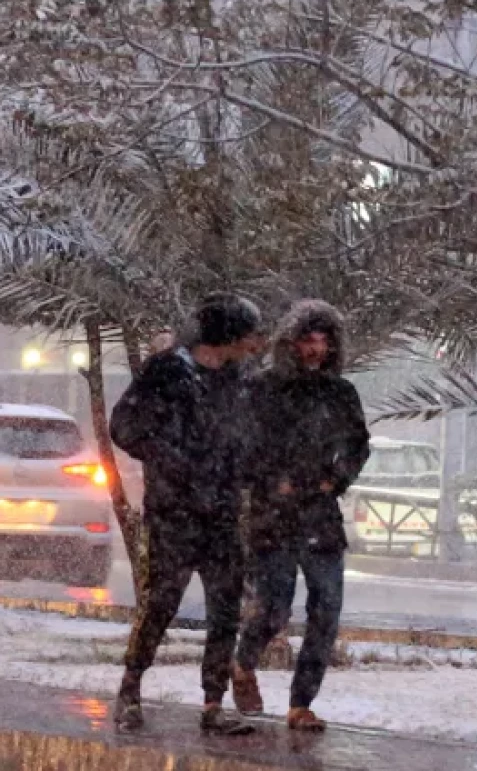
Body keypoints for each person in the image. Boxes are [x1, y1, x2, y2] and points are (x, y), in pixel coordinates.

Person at [109, 293, 265, 735]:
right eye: (249, 334)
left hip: (222, 513)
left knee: (225, 610)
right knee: (161, 603)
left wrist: (246, 472)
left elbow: (249, 438)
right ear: (228, 335)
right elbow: (124, 426)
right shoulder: (166, 371)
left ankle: (213, 704)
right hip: (173, 512)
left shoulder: (240, 380)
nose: (254, 344)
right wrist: (170, 460)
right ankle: (130, 688)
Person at [232, 300, 370, 732]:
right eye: (308, 340)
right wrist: (273, 482)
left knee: (327, 608)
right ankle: (243, 662)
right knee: (274, 608)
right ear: (291, 342)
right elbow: (241, 446)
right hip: (273, 515)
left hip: (320, 514)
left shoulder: (340, 393)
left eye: (324, 341)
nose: (316, 349)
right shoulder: (262, 389)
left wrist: (336, 479)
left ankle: (301, 703)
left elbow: (358, 444)